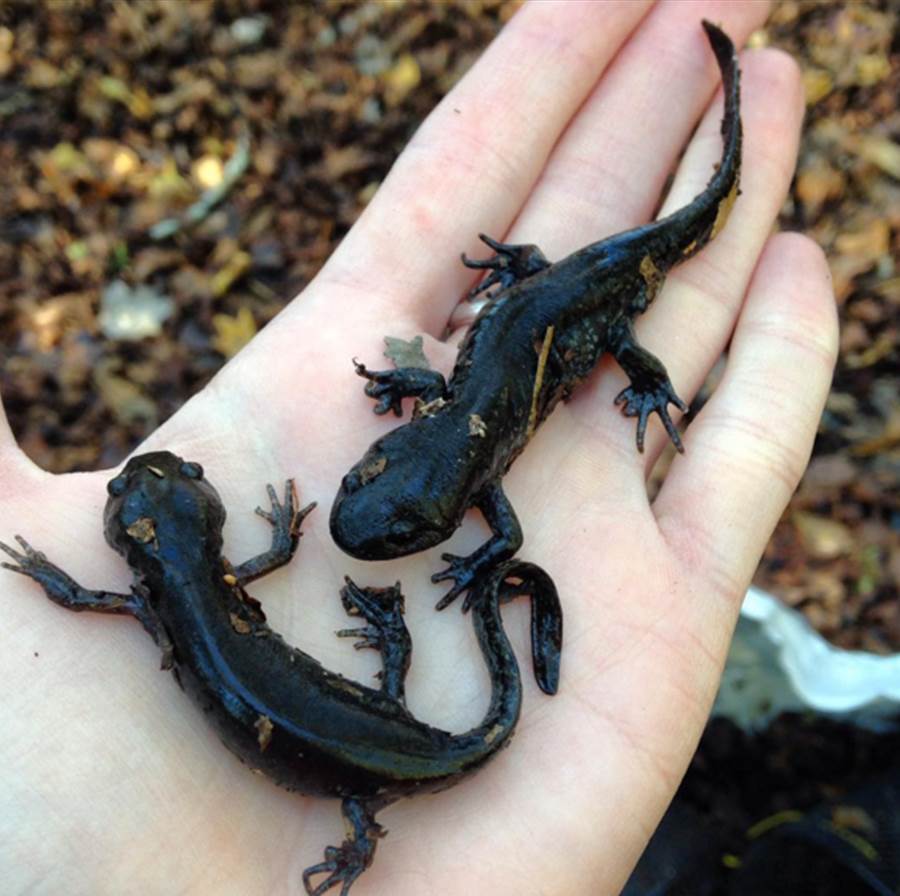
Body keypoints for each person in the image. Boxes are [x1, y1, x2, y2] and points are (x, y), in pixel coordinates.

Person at [0, 2, 836, 893]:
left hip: (585, 296)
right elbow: (372, 509)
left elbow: (105, 596)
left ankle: (723, 128)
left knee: (633, 286)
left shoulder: (452, 475)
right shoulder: (427, 443)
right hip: (534, 306)